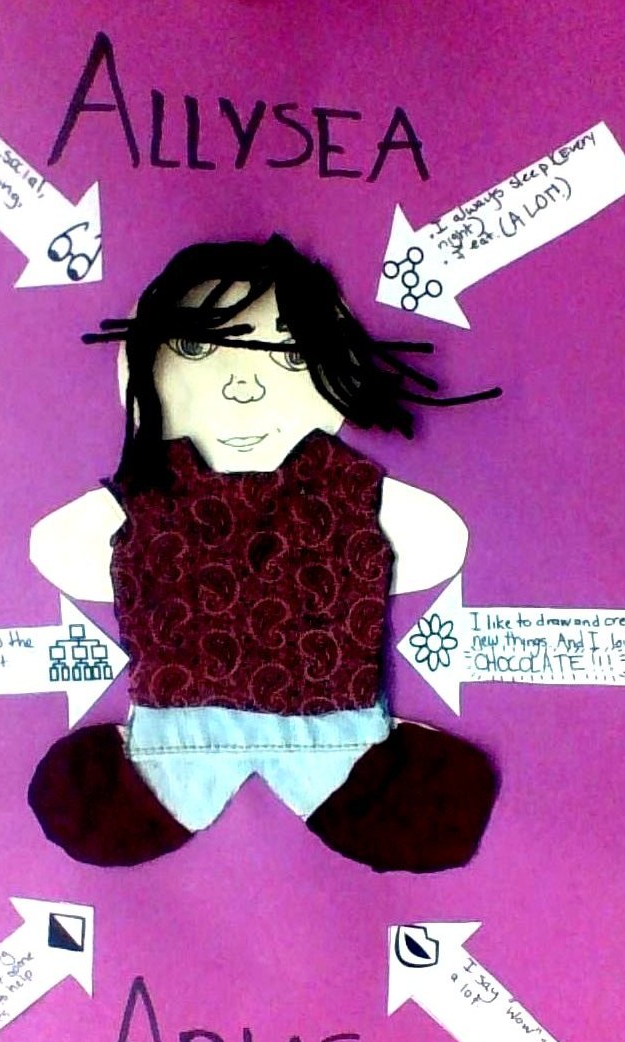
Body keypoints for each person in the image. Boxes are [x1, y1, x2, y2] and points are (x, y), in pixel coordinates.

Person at [28, 234, 500, 870]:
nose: (244, 386)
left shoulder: (344, 487)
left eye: (289, 353)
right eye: (195, 348)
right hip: (190, 728)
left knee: (395, 805)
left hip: (321, 725)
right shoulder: (150, 491)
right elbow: (57, 547)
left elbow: (440, 541)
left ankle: (357, 784)